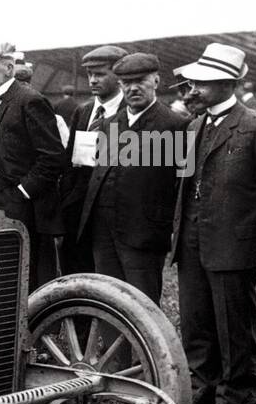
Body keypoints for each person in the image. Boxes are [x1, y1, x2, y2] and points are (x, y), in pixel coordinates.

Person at [171, 42, 256, 404]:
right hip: (192, 239)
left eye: (204, 82)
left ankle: (233, 396)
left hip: (233, 242)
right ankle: (202, 387)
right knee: (196, 319)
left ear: (227, 84)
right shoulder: (194, 127)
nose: (194, 89)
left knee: (233, 323)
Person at [76, 53, 187, 304]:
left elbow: (182, 184)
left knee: (141, 303)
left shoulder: (175, 125)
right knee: (108, 299)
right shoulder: (109, 124)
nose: (133, 88)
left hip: (144, 233)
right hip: (103, 231)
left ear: (156, 81)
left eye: (140, 81)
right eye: (127, 82)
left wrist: (169, 228)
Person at [0, 42, 67, 289]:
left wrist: (22, 192)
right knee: (2, 268)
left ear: (9, 68)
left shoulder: (29, 100)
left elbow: (53, 156)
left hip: (21, 206)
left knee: (24, 272)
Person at [60, 45, 126, 277]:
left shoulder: (131, 113)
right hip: (78, 211)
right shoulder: (83, 112)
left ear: (119, 76)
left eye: (100, 74)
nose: (92, 80)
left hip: (114, 213)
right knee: (77, 272)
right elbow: (70, 163)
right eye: (89, 74)